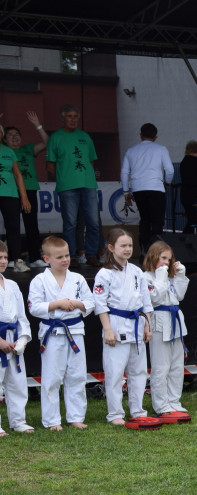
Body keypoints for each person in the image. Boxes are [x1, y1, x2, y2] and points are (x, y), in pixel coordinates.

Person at [28, 236, 93, 430]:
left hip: (75, 331)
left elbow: (90, 303)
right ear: (47, 259)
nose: (65, 260)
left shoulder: (77, 279)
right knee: (52, 377)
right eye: (59, 257)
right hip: (52, 332)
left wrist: (77, 304)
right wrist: (57, 304)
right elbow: (33, 307)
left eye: (67, 255)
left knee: (77, 375)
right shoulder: (40, 280)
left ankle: (76, 417)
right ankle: (52, 420)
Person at [94, 228, 153, 426]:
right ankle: (115, 414)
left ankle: (137, 410)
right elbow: (100, 304)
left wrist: (148, 326)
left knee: (139, 372)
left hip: (137, 325)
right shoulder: (104, 274)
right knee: (115, 373)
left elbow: (146, 303)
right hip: (116, 326)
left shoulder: (137, 271)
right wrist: (107, 329)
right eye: (123, 246)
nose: (128, 249)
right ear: (111, 248)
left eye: (130, 245)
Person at [46, 105, 102, 266]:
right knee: (70, 224)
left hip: (88, 184)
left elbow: (91, 160)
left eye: (75, 116)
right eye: (69, 116)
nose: (73, 119)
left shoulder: (85, 136)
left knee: (93, 222)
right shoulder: (56, 138)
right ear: (62, 118)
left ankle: (91, 254)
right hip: (67, 187)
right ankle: (70, 256)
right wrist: (64, 178)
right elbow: (50, 165)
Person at [143, 241, 189, 418]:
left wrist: (179, 276)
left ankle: (174, 401)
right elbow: (154, 298)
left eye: (169, 260)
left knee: (177, 365)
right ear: (153, 257)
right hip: (159, 320)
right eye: (163, 258)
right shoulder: (145, 277)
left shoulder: (168, 277)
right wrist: (161, 277)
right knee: (161, 366)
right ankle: (161, 404)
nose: (166, 263)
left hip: (175, 320)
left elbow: (179, 295)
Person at [1, 110, 47, 268]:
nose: (14, 137)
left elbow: (47, 143)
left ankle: (31, 258)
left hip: (26, 190)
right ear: (4, 139)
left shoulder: (26, 149)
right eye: (10, 135)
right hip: (10, 192)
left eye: (17, 134)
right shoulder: (5, 150)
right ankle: (9, 257)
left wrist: (37, 125)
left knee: (29, 225)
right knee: (12, 225)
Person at [0, 241, 34, 435]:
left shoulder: (12, 285)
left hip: (13, 338)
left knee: (17, 382)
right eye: (0, 258)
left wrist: (22, 339)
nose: (3, 261)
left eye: (5, 257)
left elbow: (22, 317)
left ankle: (18, 421)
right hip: (1, 337)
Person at [120, 123, 173, 248]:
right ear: (155, 137)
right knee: (157, 221)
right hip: (156, 188)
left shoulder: (131, 151)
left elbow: (124, 172)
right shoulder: (161, 149)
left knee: (144, 219)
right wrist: (167, 183)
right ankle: (156, 250)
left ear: (140, 135)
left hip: (138, 189)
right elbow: (170, 170)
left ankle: (143, 249)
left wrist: (126, 192)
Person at [0, 134, 31, 272]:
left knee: (13, 227)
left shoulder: (8, 151)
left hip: (10, 193)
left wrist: (24, 197)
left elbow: (18, 174)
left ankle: (16, 260)